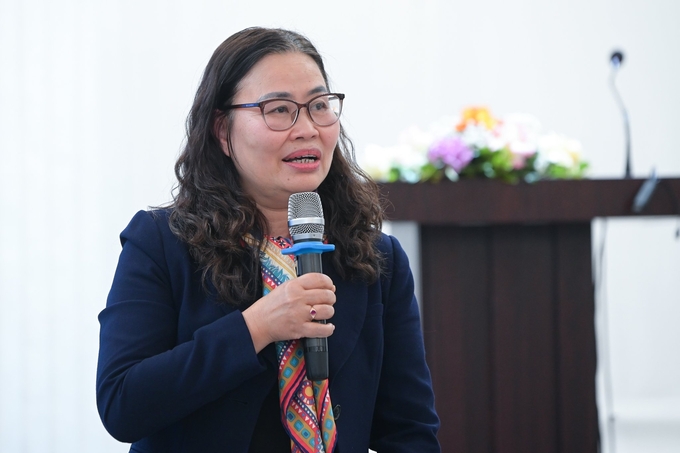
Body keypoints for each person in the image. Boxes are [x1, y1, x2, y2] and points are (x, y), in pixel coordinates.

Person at [96, 27, 440, 453]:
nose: (307, 129)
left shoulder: (375, 257)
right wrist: (257, 326)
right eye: (279, 110)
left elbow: (410, 432)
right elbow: (123, 403)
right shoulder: (161, 243)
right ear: (223, 131)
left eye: (319, 105)